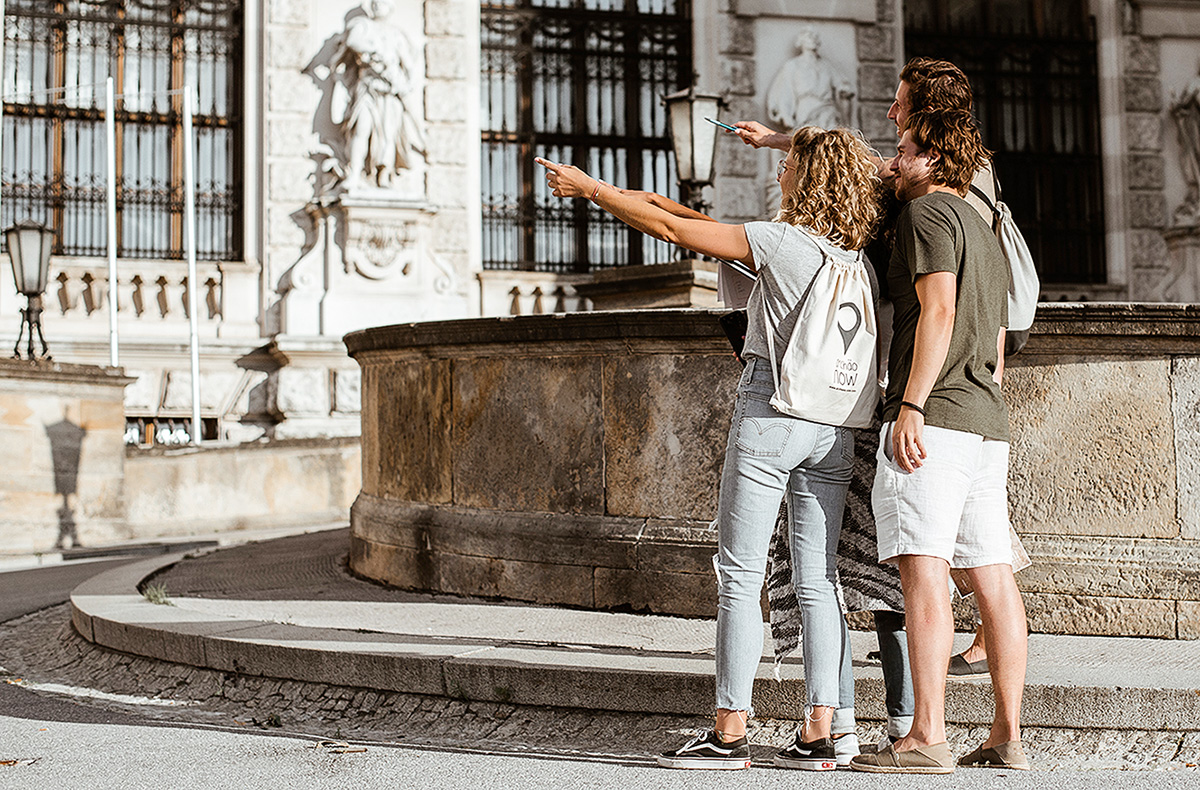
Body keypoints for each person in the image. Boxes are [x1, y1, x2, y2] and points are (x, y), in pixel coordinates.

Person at [537, 126, 881, 771]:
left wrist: (590, 190)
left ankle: (729, 731)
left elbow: (677, 233)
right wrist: (620, 192)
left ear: (807, 178)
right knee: (819, 580)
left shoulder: (780, 242)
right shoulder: (852, 258)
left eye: (788, 166)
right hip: (834, 428)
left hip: (772, 414)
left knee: (740, 574)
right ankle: (822, 732)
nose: (778, 174)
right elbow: (691, 221)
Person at [848, 109, 1028, 774]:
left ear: (935, 158)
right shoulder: (983, 226)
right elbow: (998, 339)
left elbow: (940, 310)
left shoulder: (925, 215)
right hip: (985, 420)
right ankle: (1007, 734)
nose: (892, 162)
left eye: (903, 151)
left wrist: (912, 404)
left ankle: (926, 735)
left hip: (936, 418)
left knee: (923, 573)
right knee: (992, 576)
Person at [326, 0, 425, 189]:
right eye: (375, 2)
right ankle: (354, 173)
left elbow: (409, 65)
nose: (378, 5)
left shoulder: (396, 35)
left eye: (382, 2)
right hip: (368, 89)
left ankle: (384, 175)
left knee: (388, 135)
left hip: (389, 92)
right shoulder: (362, 26)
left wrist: (404, 83)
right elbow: (353, 41)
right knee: (361, 128)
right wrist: (376, 51)